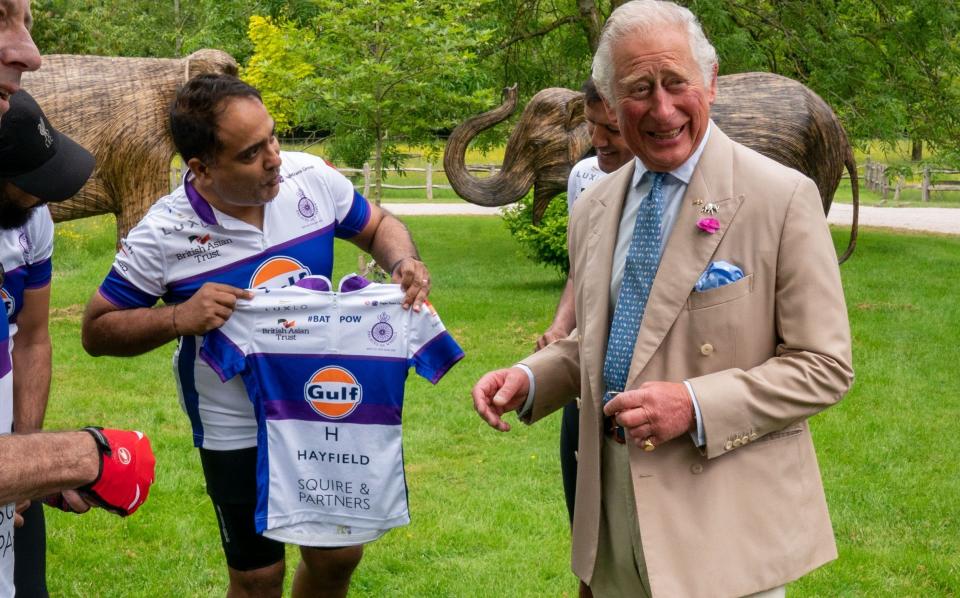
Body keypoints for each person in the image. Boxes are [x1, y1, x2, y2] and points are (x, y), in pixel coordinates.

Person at [471, 2, 854, 597]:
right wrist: (533, 376)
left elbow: (824, 367)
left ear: (711, 81)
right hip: (615, 526)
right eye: (638, 89)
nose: (662, 107)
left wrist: (694, 405)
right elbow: (607, 335)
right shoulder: (596, 206)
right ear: (608, 100)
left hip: (724, 532)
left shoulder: (781, 198)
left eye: (676, 82)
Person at [81, 73, 432, 598]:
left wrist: (403, 260)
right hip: (233, 418)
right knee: (257, 578)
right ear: (202, 167)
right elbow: (96, 329)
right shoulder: (163, 233)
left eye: (273, 137)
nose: (274, 159)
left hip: (322, 397)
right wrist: (178, 318)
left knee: (337, 556)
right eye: (251, 153)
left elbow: (378, 225)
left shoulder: (309, 177)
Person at [0, 19, 157, 592]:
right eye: (30, 182)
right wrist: (87, 455)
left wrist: (28, 459)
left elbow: (33, 336)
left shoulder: (30, 225)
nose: (45, 196)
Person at [539, 77, 633, 598]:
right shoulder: (584, 178)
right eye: (591, 125)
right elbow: (583, 269)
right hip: (587, 382)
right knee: (588, 537)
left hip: (651, 394)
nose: (598, 140)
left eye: (611, 128)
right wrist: (562, 328)